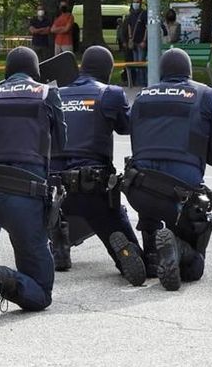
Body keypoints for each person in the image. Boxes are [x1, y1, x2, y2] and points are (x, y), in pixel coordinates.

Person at [0, 47, 66, 322]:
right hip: (25, 200)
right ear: (35, 71)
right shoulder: (46, 93)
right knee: (41, 292)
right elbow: (63, 145)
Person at [123, 48, 212, 290]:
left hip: (139, 189)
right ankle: (178, 248)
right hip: (180, 197)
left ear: (161, 73)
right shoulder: (205, 94)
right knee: (193, 269)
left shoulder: (141, 96)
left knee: (149, 193)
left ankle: (146, 255)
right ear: (189, 73)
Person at [49, 46, 146, 286]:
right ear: (109, 71)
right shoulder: (110, 93)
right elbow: (126, 127)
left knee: (60, 207)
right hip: (91, 188)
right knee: (134, 257)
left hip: (52, 190)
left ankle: (59, 236)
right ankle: (120, 248)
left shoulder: (56, 94)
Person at [125, 0, 148, 85]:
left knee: (141, 63)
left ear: (140, 3)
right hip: (134, 42)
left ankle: (143, 82)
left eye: (137, 2)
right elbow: (129, 26)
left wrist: (144, 40)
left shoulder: (143, 14)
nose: (135, 4)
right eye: (134, 2)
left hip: (141, 42)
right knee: (135, 64)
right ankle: (138, 82)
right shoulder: (131, 14)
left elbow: (146, 28)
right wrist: (130, 38)